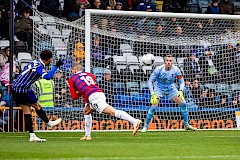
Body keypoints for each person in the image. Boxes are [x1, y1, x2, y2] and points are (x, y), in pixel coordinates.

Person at [68, 63, 141, 140]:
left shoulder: (72, 78)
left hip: (94, 97)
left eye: (72, 71)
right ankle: (87, 135)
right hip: (99, 93)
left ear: (74, 70)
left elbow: (74, 96)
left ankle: (134, 121)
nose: (72, 73)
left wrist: (80, 91)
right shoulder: (88, 74)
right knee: (86, 111)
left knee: (112, 112)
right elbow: (94, 77)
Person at [11, 50, 64, 142]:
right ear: (49, 59)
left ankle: (32, 135)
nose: (51, 61)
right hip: (21, 89)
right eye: (51, 60)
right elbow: (47, 77)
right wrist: (56, 66)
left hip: (18, 87)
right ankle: (48, 123)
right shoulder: (39, 66)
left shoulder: (35, 61)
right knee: (36, 106)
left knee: (28, 110)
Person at [141, 54, 197, 132]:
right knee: (153, 106)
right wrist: (152, 93)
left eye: (170, 61)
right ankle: (145, 127)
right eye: (167, 61)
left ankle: (186, 125)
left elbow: (182, 82)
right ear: (164, 62)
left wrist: (180, 91)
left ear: (172, 61)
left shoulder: (176, 70)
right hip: (159, 88)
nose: (169, 62)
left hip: (171, 88)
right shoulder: (158, 69)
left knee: (183, 104)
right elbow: (150, 81)